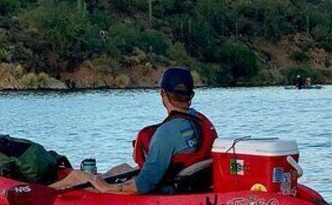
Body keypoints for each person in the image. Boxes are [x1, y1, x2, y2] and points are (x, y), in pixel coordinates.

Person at [49, 67, 217, 195]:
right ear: (191, 95)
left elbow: (145, 184)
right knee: (120, 168)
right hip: (189, 186)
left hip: (167, 192)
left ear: (162, 93)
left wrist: (107, 188)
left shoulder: (165, 134)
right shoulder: (202, 121)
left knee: (78, 177)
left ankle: (42, 193)